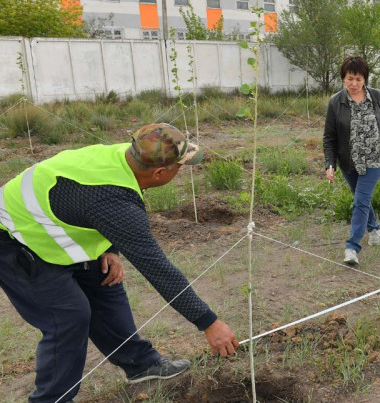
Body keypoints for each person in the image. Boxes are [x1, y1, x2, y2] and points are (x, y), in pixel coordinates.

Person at [0, 123, 239, 403]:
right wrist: (209, 323)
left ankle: (141, 364)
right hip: (14, 238)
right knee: (68, 316)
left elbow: (84, 204)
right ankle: (51, 400)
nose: (180, 171)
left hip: (50, 227)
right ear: (160, 173)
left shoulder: (126, 157)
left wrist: (110, 248)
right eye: (180, 166)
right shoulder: (113, 199)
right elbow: (157, 268)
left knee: (105, 281)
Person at [323, 56, 380, 266]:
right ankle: (373, 227)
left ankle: (352, 248)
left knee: (360, 201)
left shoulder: (377, 97)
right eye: (350, 79)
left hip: (375, 159)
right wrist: (330, 164)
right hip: (349, 162)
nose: (354, 84)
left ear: (365, 78)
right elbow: (329, 137)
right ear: (343, 78)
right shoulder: (336, 102)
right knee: (361, 199)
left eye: (358, 79)